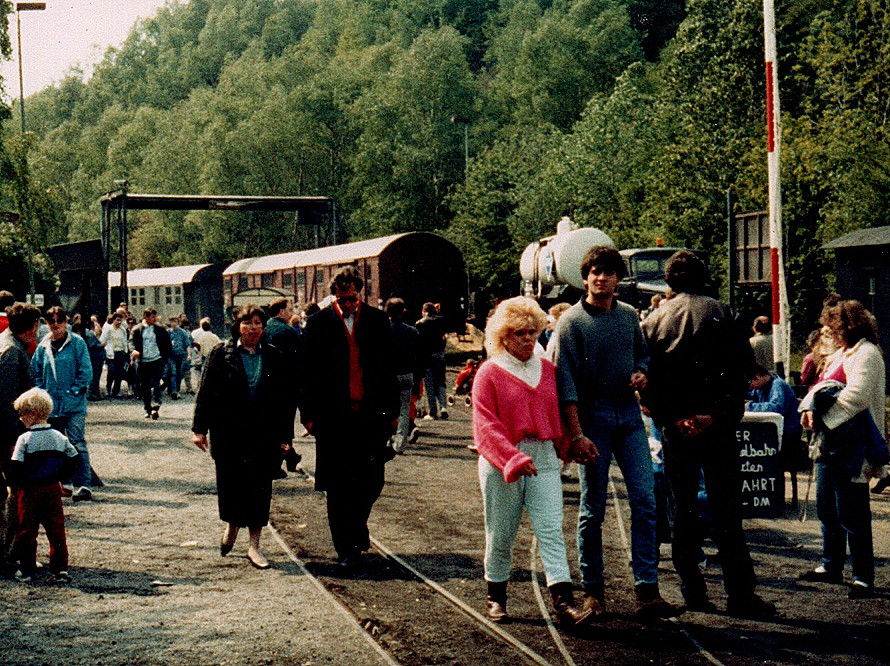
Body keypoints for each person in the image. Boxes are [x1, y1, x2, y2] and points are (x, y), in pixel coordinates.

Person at [641, 250, 775, 618]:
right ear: (703, 277)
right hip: (717, 426)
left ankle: (693, 590)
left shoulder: (654, 321)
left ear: (668, 281)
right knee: (727, 510)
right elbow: (742, 372)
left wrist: (675, 418)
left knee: (681, 510)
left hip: (677, 428)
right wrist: (714, 415)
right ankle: (740, 594)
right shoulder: (724, 313)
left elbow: (648, 379)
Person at [553, 246, 678, 620]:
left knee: (645, 500)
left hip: (628, 417)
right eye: (595, 272)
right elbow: (564, 383)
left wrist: (642, 373)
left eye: (608, 272)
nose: (601, 278)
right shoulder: (571, 322)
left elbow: (643, 355)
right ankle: (593, 592)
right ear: (585, 277)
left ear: (618, 279)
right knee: (593, 508)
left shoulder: (627, 316)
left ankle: (647, 591)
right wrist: (577, 434)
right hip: (593, 420)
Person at [473, 296, 595, 626]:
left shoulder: (548, 371)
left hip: (542, 456)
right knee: (501, 532)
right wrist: (511, 458)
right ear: (503, 335)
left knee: (551, 529)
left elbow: (558, 415)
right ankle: (496, 597)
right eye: (519, 333)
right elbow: (485, 425)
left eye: (532, 332)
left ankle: (564, 602)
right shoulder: (489, 372)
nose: (528, 339)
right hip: (503, 459)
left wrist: (571, 445)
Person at [301, 267, 399, 571]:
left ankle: (357, 527)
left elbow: (388, 369)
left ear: (360, 295)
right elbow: (306, 373)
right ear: (334, 296)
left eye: (352, 299)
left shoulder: (378, 321)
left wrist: (393, 413)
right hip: (333, 418)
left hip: (370, 416)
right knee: (338, 486)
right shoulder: (318, 323)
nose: (347, 305)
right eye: (342, 299)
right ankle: (345, 548)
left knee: (372, 481)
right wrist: (308, 416)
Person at [192, 304, 294, 570]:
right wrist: (199, 429)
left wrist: (286, 437)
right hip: (229, 434)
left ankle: (254, 546)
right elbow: (205, 393)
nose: (253, 328)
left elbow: (285, 400)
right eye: (247, 323)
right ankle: (232, 526)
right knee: (232, 486)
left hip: (263, 435)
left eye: (258, 323)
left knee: (260, 489)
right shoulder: (221, 354)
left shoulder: (273, 356)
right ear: (237, 327)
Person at [798, 299, 887, 599]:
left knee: (852, 511)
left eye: (833, 328)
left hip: (854, 444)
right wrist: (807, 409)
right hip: (830, 443)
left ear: (848, 327)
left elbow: (858, 396)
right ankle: (830, 564)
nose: (829, 334)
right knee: (827, 507)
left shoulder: (867, 353)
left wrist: (822, 417)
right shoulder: (842, 353)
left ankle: (863, 576)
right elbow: (817, 387)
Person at [8, 388, 79, 583]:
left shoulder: (24, 439)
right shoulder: (58, 436)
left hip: (29, 491)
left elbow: (16, 466)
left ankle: (26, 568)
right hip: (52, 488)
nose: (20, 418)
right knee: (56, 530)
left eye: (22, 414)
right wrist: (61, 476)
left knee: (27, 530)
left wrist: (15, 485)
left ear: (32, 414)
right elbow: (74, 458)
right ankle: (60, 569)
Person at [32, 307, 94, 503]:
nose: (56, 324)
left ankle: (84, 484)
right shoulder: (43, 346)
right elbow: (36, 371)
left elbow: (86, 372)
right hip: (52, 406)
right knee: (57, 445)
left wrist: (73, 391)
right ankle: (64, 483)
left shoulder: (77, 343)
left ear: (66, 322)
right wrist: (43, 393)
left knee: (77, 442)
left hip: (73, 404)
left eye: (59, 320)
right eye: (52, 321)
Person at [0, 302, 40, 564]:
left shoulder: (6, 344)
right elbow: (7, 403)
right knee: (17, 494)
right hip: (8, 436)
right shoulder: (12, 353)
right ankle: (10, 552)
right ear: (32, 326)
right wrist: (16, 440)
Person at [747, 364, 804, 507]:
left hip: (788, 438)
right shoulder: (761, 388)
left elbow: (776, 408)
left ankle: (771, 497)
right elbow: (748, 395)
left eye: (749, 382)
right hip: (775, 435)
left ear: (758, 376)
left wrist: (748, 406)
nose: (750, 387)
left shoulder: (778, 385)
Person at [263, 298, 303, 476]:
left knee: (271, 424)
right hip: (286, 386)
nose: (291, 312)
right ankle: (283, 460)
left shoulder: (264, 329)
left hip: (267, 385)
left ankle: (288, 458)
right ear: (281, 311)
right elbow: (298, 361)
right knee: (286, 425)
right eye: (289, 309)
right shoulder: (288, 332)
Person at [385, 298, 420, 454]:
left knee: (386, 408)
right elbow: (418, 356)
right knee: (404, 409)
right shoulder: (412, 331)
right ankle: (400, 444)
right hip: (407, 374)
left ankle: (386, 440)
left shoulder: (382, 330)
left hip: (388, 375)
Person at [131, 308, 172, 420]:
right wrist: (133, 350)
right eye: (152, 317)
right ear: (146, 317)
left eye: (155, 316)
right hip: (143, 361)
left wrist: (164, 358)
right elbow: (131, 342)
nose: (155, 319)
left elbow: (167, 344)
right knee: (145, 386)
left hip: (156, 360)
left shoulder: (160, 329)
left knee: (156, 383)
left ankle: (156, 406)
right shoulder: (137, 329)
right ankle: (147, 408)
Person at [416, 302, 449, 420]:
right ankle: (443, 407)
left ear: (424, 311)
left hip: (426, 356)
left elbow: (418, 342)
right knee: (441, 381)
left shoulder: (420, 323)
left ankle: (432, 411)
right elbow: (445, 337)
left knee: (429, 383)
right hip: (439, 354)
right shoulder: (441, 320)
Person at [100, 313, 130, 397]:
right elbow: (103, 340)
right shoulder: (108, 329)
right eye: (117, 320)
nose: (119, 322)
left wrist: (125, 351)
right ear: (113, 320)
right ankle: (108, 388)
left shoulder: (122, 330)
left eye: (121, 320)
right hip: (111, 353)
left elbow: (125, 341)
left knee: (120, 372)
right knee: (111, 371)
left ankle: (116, 391)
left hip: (120, 352)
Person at [164, 317, 192, 399]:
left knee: (179, 373)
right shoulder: (168, 332)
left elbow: (187, 344)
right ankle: (174, 391)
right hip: (171, 356)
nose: (173, 323)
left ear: (178, 323)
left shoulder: (182, 332)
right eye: (172, 322)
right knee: (173, 373)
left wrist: (189, 355)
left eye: (175, 322)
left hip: (181, 355)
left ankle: (177, 390)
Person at [192, 318, 222, 388]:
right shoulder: (214, 336)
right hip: (214, 356)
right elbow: (220, 344)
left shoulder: (201, 337)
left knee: (204, 372)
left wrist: (199, 353)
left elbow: (197, 348)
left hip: (205, 357)